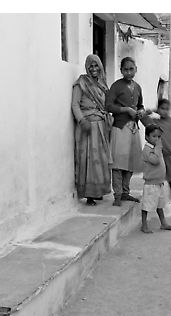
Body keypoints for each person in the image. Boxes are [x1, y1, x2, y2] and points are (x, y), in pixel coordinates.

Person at [71, 54, 112, 206]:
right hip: (87, 127)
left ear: (100, 66)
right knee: (89, 160)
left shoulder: (103, 84)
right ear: (87, 68)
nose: (94, 69)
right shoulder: (81, 83)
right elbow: (75, 104)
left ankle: (98, 191)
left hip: (101, 126)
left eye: (96, 66)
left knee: (100, 160)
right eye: (91, 66)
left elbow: (107, 103)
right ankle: (89, 195)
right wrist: (82, 121)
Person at [105, 56, 146, 206]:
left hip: (133, 128)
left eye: (131, 69)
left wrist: (141, 111)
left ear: (136, 69)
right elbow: (108, 106)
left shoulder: (137, 87)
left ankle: (125, 192)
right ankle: (117, 194)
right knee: (118, 162)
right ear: (121, 70)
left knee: (131, 161)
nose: (129, 72)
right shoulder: (116, 86)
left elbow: (141, 105)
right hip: (120, 127)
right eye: (125, 69)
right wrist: (125, 109)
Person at [140, 124, 171, 233]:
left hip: (159, 182)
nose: (157, 139)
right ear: (147, 137)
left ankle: (163, 223)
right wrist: (158, 148)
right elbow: (155, 161)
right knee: (147, 205)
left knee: (160, 205)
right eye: (154, 136)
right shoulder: (147, 150)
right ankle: (144, 225)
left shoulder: (156, 148)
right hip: (150, 183)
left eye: (159, 137)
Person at [149, 98, 171, 207]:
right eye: (162, 109)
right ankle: (154, 200)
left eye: (167, 109)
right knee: (156, 180)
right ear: (158, 109)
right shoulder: (154, 122)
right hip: (157, 155)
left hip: (169, 156)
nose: (165, 111)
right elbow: (142, 118)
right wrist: (152, 111)